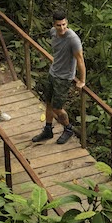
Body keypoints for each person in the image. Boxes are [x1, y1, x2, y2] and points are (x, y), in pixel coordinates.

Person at [32, 10, 86, 144]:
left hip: (64, 77)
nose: (62, 28)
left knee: (57, 107)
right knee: (48, 103)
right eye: (58, 25)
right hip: (53, 72)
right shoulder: (53, 33)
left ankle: (68, 128)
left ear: (67, 23)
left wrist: (82, 80)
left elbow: (80, 60)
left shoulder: (73, 39)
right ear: (54, 25)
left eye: (64, 25)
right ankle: (48, 129)